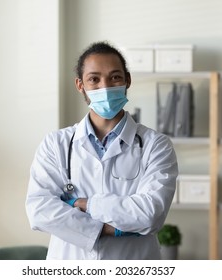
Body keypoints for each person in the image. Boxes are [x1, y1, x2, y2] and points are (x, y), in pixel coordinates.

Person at [25, 41, 178, 260]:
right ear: (80, 85)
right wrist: (110, 228)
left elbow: (150, 214)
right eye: (94, 79)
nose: (105, 87)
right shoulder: (55, 144)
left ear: (127, 80)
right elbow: (40, 211)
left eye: (114, 77)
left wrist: (84, 204)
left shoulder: (156, 145)